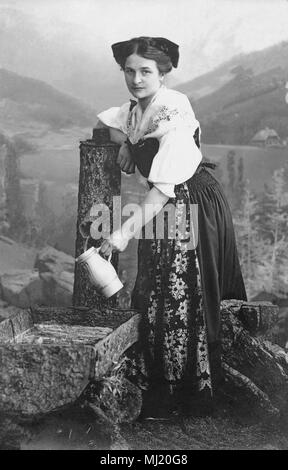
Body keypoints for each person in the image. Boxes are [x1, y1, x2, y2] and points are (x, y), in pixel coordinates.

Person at [97, 36, 247, 418]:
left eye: (146, 71)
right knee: (155, 288)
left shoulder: (174, 111)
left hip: (190, 202)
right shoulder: (137, 109)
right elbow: (108, 121)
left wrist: (122, 233)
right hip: (166, 205)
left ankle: (187, 394)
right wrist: (126, 144)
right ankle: (156, 388)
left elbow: (163, 189)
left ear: (163, 74)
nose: (136, 79)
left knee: (180, 294)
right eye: (129, 71)